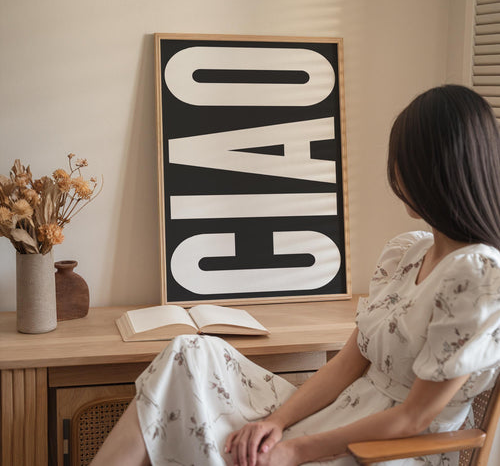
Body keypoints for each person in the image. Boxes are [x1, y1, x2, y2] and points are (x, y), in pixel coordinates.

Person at [91, 85, 500, 466]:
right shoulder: (409, 253)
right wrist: (277, 423)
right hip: (342, 412)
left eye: (404, 161)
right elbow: (348, 361)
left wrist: (293, 451)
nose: (395, 173)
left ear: (440, 170)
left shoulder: (478, 276)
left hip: (381, 449)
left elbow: (413, 419)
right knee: (190, 353)